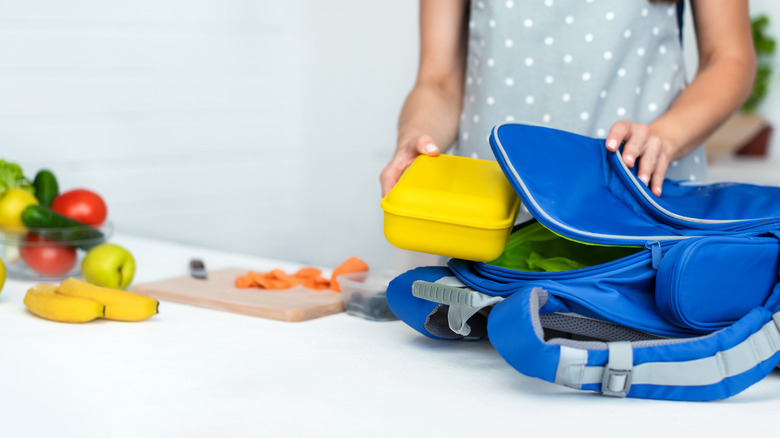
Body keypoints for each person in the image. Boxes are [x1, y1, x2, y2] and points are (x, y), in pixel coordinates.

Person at [380, 0, 755, 198]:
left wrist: (665, 136)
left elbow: (729, 57)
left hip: (640, 203)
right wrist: (415, 137)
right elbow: (439, 81)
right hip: (492, 211)